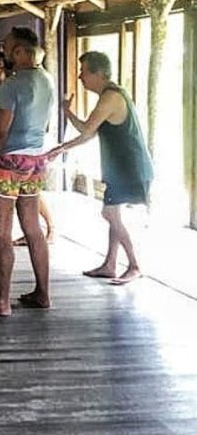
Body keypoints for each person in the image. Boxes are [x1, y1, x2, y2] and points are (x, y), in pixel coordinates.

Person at [0, 27, 55, 317]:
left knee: (1, 231)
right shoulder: (47, 79)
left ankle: (1, 301)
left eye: (6, 47)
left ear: (18, 51)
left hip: (8, 162)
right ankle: (43, 293)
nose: (3, 51)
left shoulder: (13, 84)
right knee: (33, 227)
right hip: (36, 160)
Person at [47, 50, 153, 285]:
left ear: (99, 73)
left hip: (129, 167)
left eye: (83, 72)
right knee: (114, 213)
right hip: (121, 166)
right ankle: (110, 264)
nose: (80, 77)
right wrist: (67, 116)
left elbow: (86, 131)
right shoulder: (109, 94)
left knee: (109, 213)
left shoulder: (111, 97)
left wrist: (60, 148)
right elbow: (89, 131)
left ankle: (135, 265)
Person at [0, 50, 55, 244]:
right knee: (25, 201)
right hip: (23, 151)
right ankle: (39, 232)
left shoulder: (20, 83)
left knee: (29, 201)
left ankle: (51, 227)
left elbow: (0, 130)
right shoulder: (8, 84)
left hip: (18, 151)